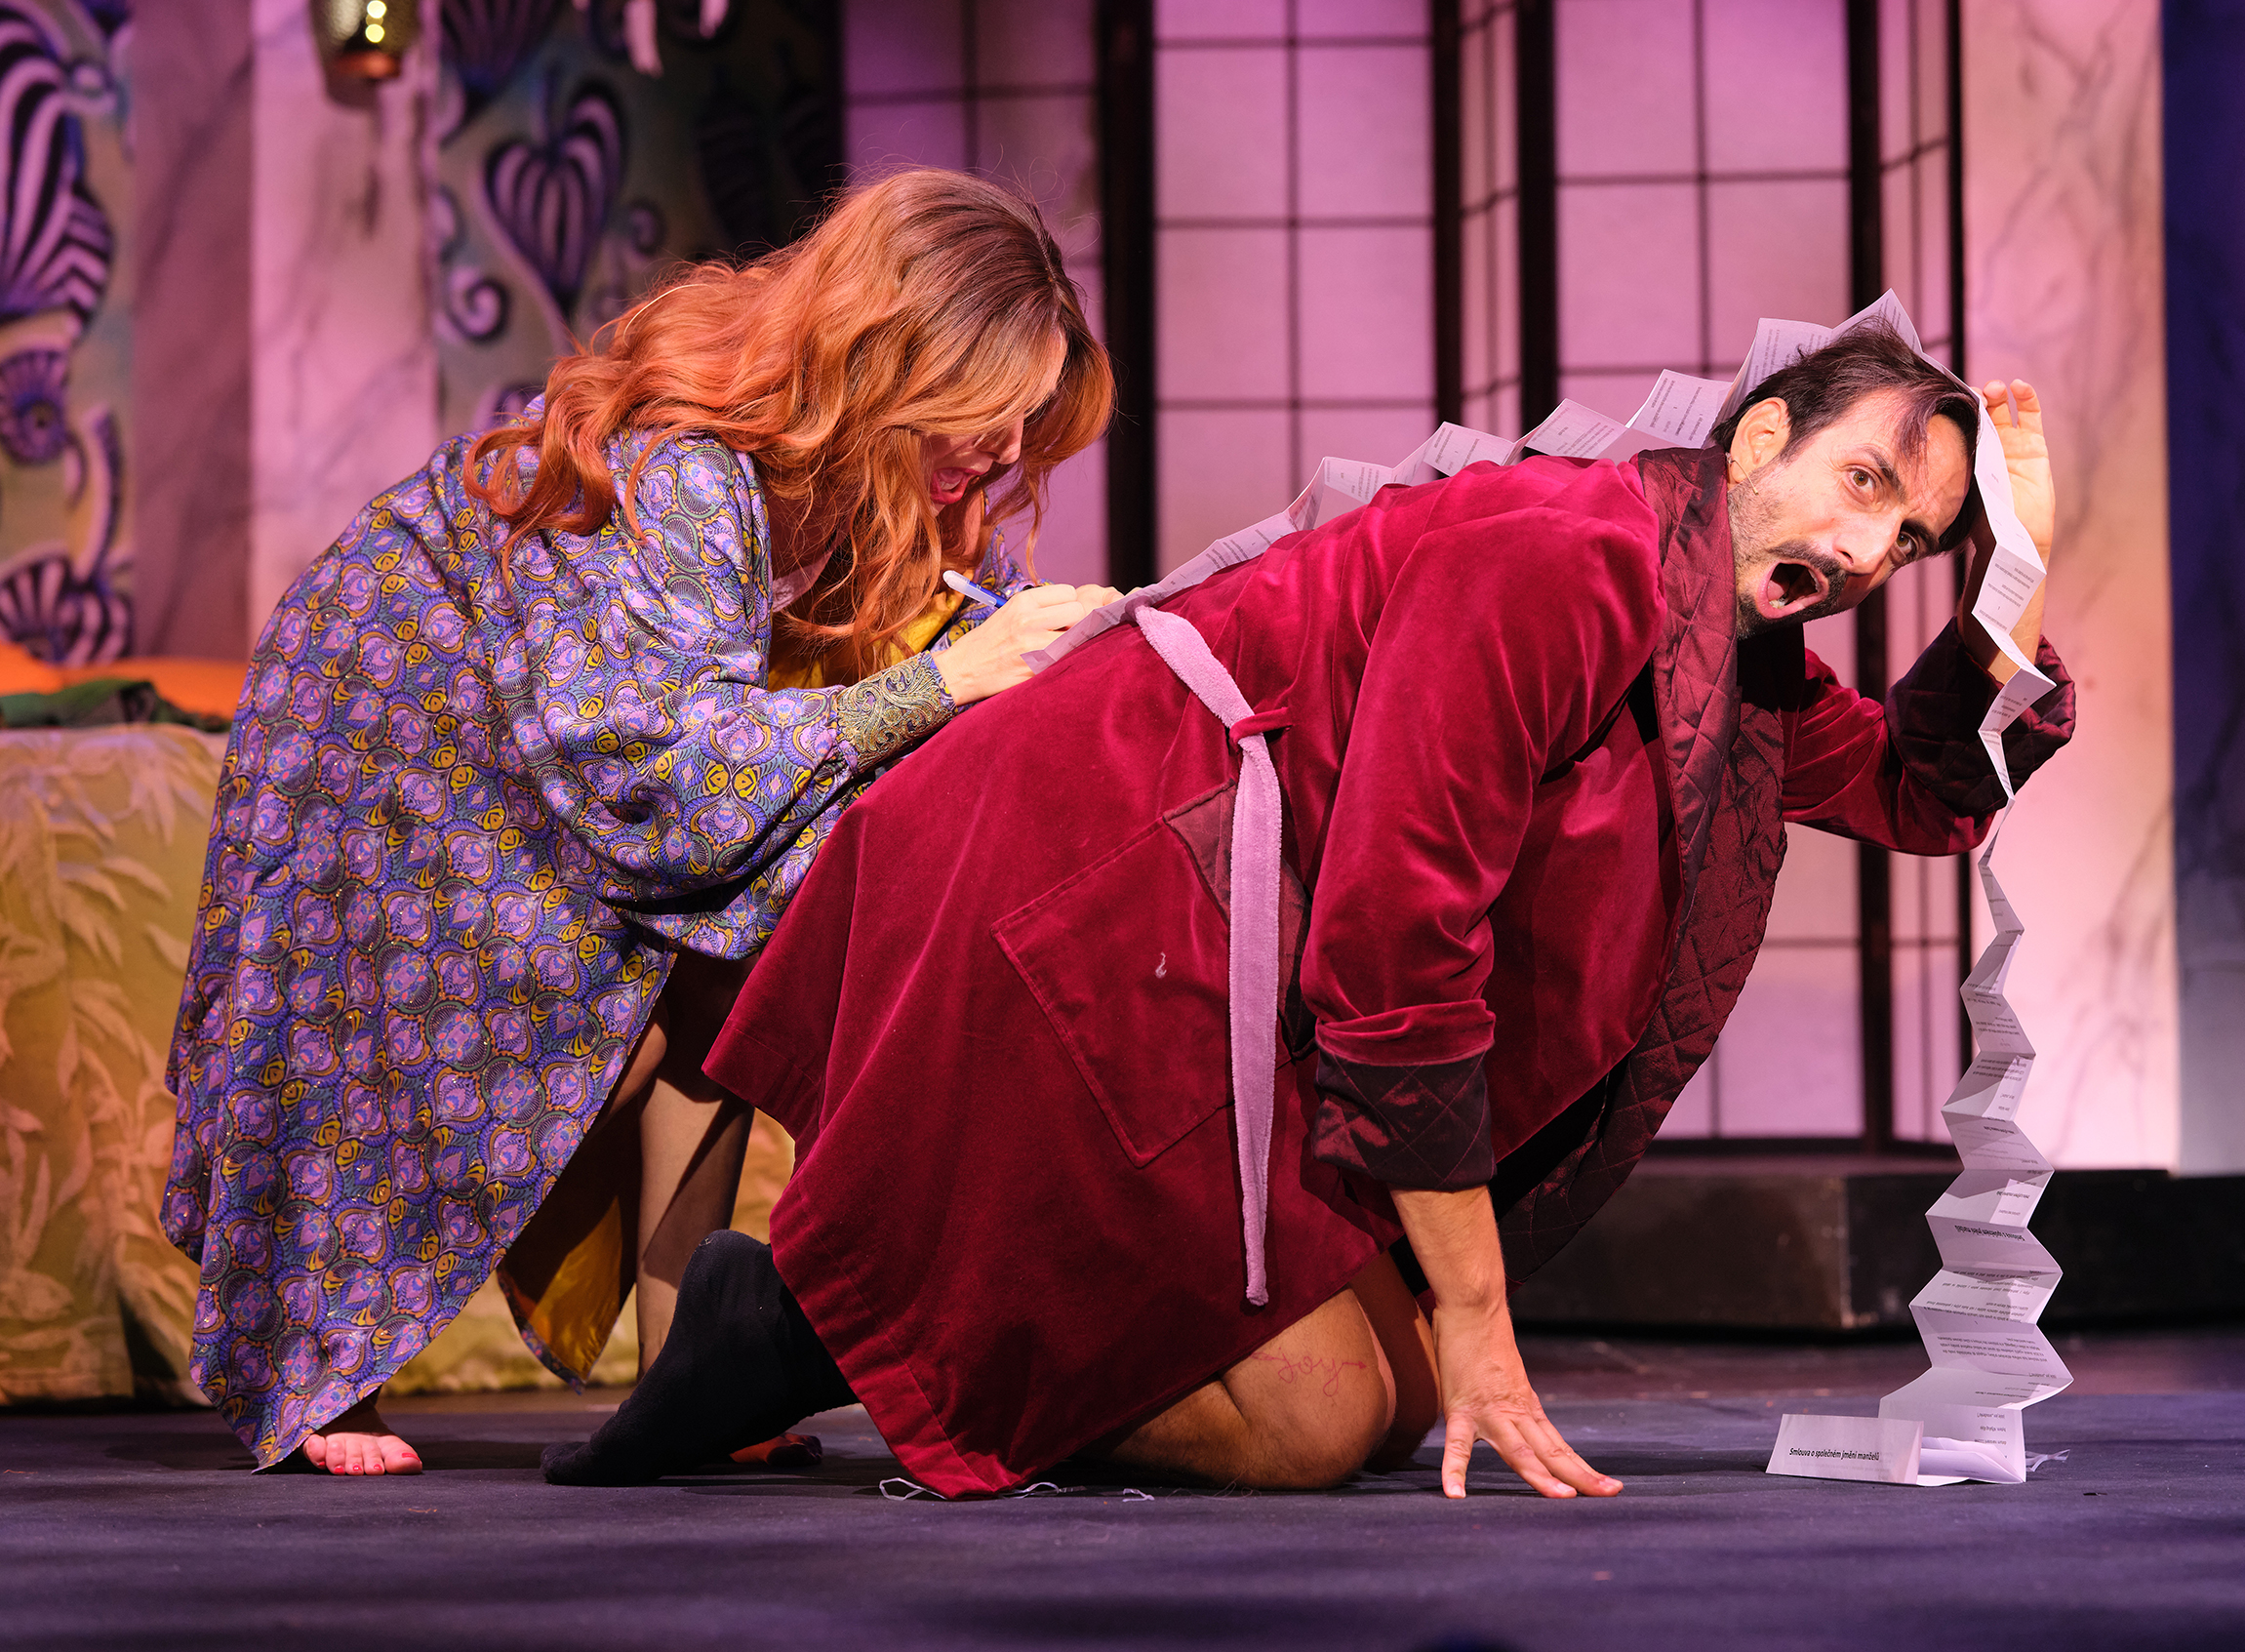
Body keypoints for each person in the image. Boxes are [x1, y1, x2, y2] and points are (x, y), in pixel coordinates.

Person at [543, 326, 2073, 1501]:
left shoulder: (1732, 649)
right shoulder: (1561, 559)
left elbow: (1921, 794)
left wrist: (2020, 577)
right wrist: (1478, 1315)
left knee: (1393, 1403)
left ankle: (821, 1317)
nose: (1869, 556)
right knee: (1322, 1420)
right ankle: (822, 1327)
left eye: (1913, 544)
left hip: (1231, 930)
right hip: (1113, 871)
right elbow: (1398, 945)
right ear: (1762, 437)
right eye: (1866, 486)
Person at [160, 170, 1117, 1474]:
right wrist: (943, 681)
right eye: (984, 418)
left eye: (1023, 424)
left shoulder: (895, 484)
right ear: (892, 370)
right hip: (407, 694)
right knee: (411, 1024)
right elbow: (662, 755)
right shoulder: (689, 469)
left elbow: (944, 634)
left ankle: (694, 1373)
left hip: (592, 727)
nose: (1005, 456)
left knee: (734, 950)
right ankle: (326, 1376)